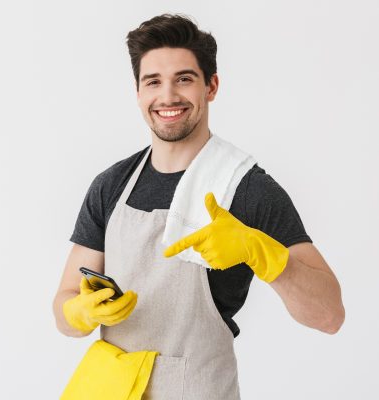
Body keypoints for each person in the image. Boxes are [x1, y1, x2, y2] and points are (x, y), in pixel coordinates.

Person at [53, 13, 345, 399]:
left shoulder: (246, 189)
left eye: (184, 79)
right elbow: (65, 304)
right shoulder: (112, 185)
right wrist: (80, 313)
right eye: (153, 81)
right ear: (138, 92)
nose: (168, 96)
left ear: (212, 86)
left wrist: (262, 252)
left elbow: (329, 315)